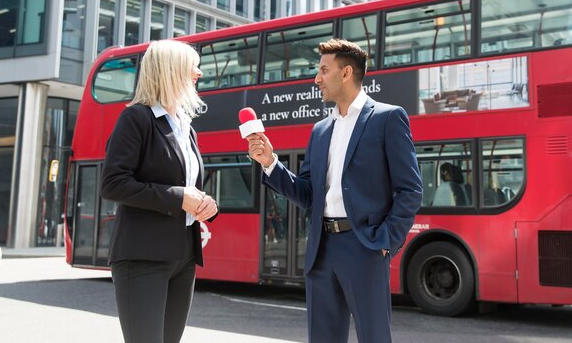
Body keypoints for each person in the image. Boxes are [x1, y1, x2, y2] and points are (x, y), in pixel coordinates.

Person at [246, 38, 422, 343]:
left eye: (324, 70)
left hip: (365, 247)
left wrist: (385, 241)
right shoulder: (320, 130)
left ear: (346, 73)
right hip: (321, 249)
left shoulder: (387, 118)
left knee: (374, 337)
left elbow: (410, 190)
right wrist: (270, 163)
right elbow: (307, 194)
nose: (317, 79)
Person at [100, 39, 219, 343]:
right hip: (142, 256)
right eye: (193, 67)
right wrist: (179, 197)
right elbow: (113, 183)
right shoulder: (136, 118)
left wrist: (205, 204)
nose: (199, 74)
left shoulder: (186, 127)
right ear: (171, 71)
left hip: (183, 256)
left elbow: (186, 185)